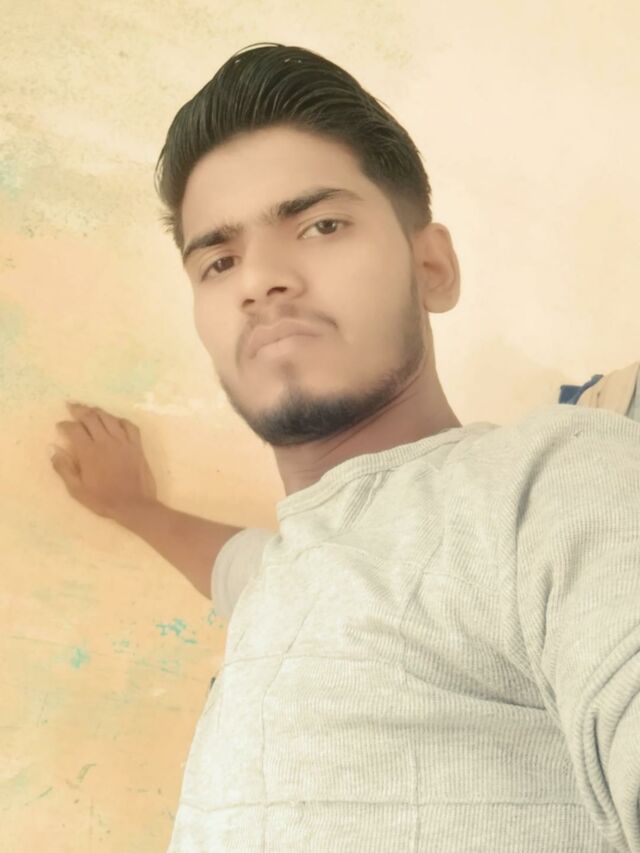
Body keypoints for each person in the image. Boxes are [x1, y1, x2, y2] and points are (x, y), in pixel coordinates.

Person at [50, 43, 640, 852]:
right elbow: (241, 568)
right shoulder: (289, 574)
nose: (259, 279)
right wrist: (134, 507)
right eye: (219, 260)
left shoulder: (553, 483)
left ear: (431, 267)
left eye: (321, 224)